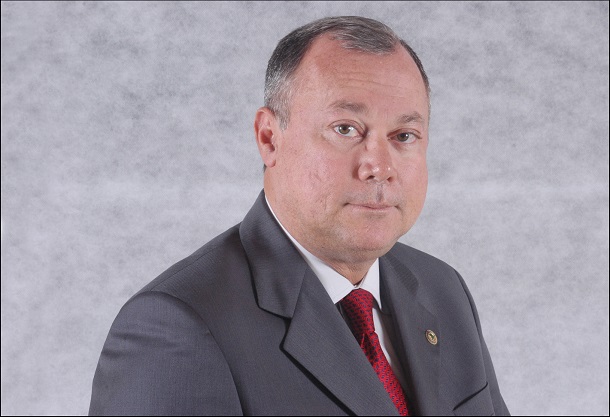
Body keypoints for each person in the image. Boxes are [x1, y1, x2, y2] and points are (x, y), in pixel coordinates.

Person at [89, 16, 509, 416]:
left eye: (404, 136)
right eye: (345, 129)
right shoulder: (177, 329)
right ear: (269, 139)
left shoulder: (443, 289)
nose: (380, 166)